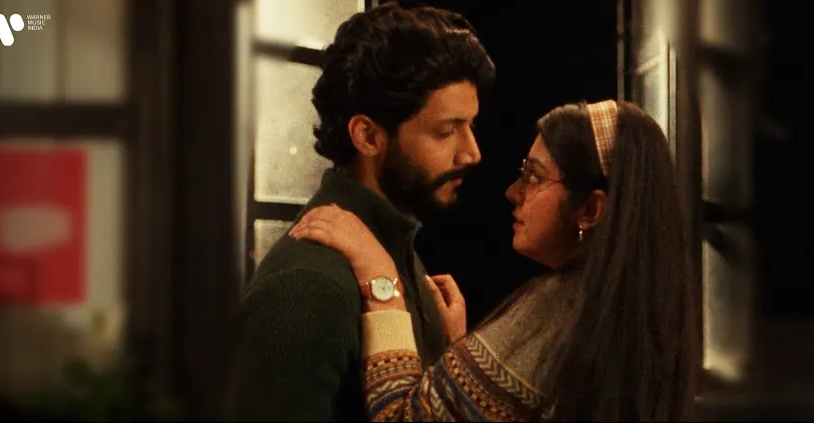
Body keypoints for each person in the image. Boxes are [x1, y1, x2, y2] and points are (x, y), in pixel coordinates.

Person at [288, 100, 703, 421]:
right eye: (446, 130)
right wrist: (462, 359)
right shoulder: (634, 304)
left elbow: (402, 418)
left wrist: (382, 281)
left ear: (590, 210)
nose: (512, 192)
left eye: (534, 177)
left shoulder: (560, 308)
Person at [224, 3, 495, 421]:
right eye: (446, 131)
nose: (471, 153)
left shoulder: (395, 256)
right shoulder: (307, 288)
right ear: (367, 136)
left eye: (470, 126)